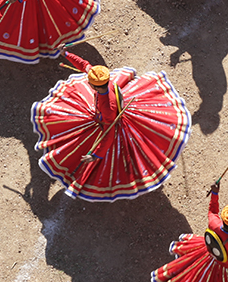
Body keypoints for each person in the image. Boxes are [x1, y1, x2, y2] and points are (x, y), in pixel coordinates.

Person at [30, 51, 191, 201]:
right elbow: (85, 65)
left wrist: (96, 155)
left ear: (94, 86)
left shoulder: (107, 107)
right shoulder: (104, 80)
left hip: (108, 124)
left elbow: (109, 133)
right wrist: (66, 53)